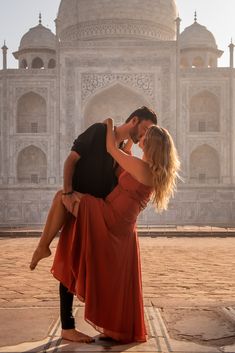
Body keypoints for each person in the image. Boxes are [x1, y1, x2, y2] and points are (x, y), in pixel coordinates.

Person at [30, 106, 158, 343]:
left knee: (81, 264)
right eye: (146, 128)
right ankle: (68, 326)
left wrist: (113, 126)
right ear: (134, 120)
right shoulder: (99, 132)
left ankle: (43, 246)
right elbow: (71, 161)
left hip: (98, 212)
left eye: (151, 133)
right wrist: (69, 192)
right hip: (82, 205)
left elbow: (118, 156)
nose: (146, 136)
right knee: (69, 262)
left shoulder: (124, 153)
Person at [50, 118, 180, 344]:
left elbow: (112, 149)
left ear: (152, 145)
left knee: (63, 196)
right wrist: (130, 134)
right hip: (121, 224)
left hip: (110, 218)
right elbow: (124, 157)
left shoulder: (141, 168)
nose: (142, 138)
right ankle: (115, 328)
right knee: (115, 281)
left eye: (146, 137)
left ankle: (42, 246)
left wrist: (108, 124)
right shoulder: (143, 167)